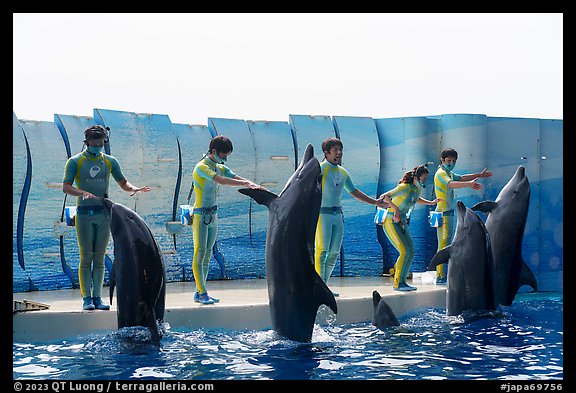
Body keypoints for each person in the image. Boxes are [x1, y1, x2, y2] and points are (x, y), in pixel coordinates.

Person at [63, 125, 151, 311]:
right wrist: (82, 192)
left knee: (100, 257)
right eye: (94, 144)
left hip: (104, 215)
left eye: (100, 144)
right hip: (84, 215)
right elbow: (66, 187)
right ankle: (87, 298)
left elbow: (123, 183)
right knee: (86, 257)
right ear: (86, 143)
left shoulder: (110, 161)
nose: (97, 148)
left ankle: (97, 297)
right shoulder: (75, 162)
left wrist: (134, 188)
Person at [191, 135, 264, 305]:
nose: (225, 159)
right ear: (214, 151)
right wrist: (245, 185)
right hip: (200, 215)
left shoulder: (218, 166)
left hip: (213, 215)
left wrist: (252, 184)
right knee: (200, 252)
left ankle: (199, 291)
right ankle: (202, 292)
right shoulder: (201, 167)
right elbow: (221, 181)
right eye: (224, 155)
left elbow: (234, 176)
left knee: (208, 254)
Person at [315, 138, 388, 296]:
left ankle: (324, 286)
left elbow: (353, 191)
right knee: (322, 251)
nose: (339, 153)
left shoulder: (342, 172)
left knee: (334, 252)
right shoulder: (320, 169)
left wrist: (375, 202)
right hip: (322, 215)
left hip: (337, 215)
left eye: (340, 150)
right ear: (326, 153)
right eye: (335, 150)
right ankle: (318, 287)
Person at [433, 148, 492, 285]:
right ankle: (440, 276)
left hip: (448, 213)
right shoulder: (441, 173)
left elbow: (462, 177)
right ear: (442, 160)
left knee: (446, 242)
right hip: (443, 213)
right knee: (443, 244)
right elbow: (451, 184)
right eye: (449, 161)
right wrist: (469, 185)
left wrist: (480, 175)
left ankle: (442, 274)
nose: (451, 163)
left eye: (454, 161)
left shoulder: (448, 172)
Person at [378, 165, 442, 291]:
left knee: (411, 252)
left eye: (426, 179)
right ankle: (397, 283)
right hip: (391, 221)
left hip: (401, 221)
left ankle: (403, 281)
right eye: (423, 179)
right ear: (416, 177)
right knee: (404, 251)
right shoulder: (404, 187)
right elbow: (384, 196)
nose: (424, 181)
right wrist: (395, 209)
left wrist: (430, 203)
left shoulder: (416, 189)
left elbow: (416, 199)